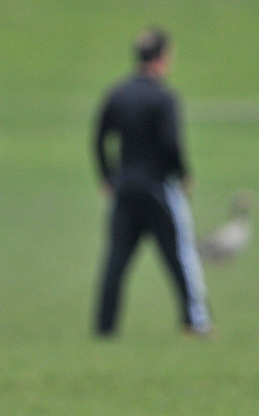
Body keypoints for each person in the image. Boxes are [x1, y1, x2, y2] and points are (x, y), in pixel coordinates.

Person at [94, 28, 212, 337]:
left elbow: (99, 137)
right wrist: (183, 174)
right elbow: (171, 143)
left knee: (116, 261)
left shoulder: (117, 93)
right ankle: (193, 321)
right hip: (157, 187)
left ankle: (104, 327)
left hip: (125, 188)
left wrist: (107, 176)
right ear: (162, 58)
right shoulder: (164, 97)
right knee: (179, 257)